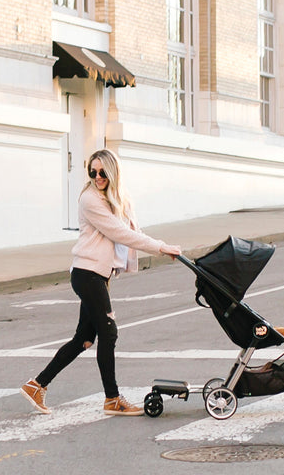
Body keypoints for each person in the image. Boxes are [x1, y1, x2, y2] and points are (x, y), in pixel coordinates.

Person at [21, 149, 181, 417]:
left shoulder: (117, 198)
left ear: (112, 172)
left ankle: (36, 385)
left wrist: (164, 247)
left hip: (97, 275)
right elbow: (120, 233)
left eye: (102, 172)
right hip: (86, 274)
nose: (97, 177)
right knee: (109, 333)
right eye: (92, 172)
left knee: (84, 339)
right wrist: (161, 248)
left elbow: (134, 231)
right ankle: (112, 399)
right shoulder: (90, 199)